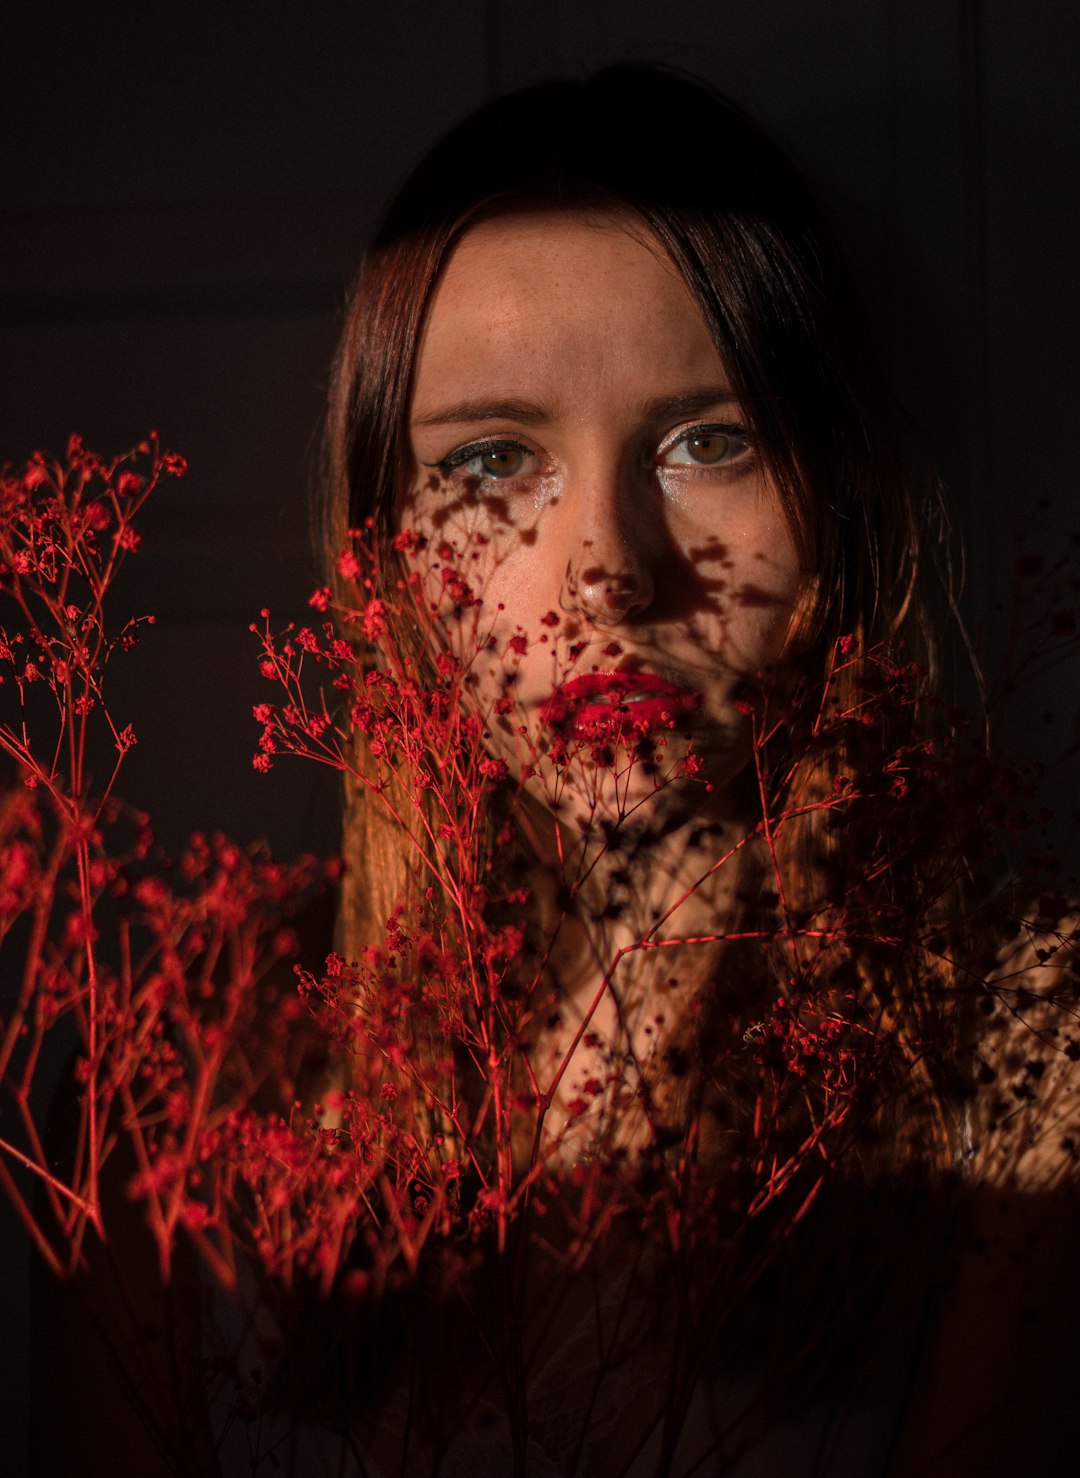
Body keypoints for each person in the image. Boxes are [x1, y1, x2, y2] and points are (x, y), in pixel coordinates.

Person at [32, 63, 1079, 1477]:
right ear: (384, 554)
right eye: (491, 461)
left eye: (708, 442)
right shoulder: (166, 1076)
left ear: (838, 505)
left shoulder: (1024, 1058)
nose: (609, 568)